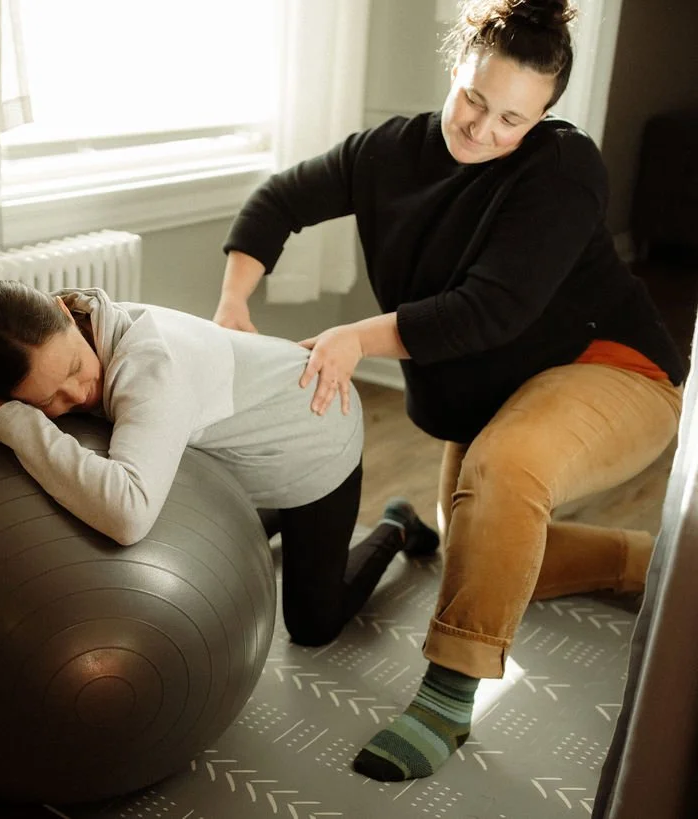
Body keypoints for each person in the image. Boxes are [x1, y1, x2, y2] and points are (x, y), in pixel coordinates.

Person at [213, 0, 685, 783]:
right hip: (499, 390)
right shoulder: (390, 151)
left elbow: (488, 310)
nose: (483, 128)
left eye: (512, 118)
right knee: (480, 547)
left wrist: (353, 337)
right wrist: (234, 301)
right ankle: (650, 564)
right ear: (456, 70)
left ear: (543, 117)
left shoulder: (563, 170)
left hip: (615, 367)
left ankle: (449, 696)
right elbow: (280, 201)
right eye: (474, 99)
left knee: (505, 472)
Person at [0, 282, 439, 651]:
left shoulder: (151, 367)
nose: (78, 393)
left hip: (317, 431)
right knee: (222, 532)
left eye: (74, 368)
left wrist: (14, 422)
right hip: (235, 449)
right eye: (48, 399)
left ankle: (396, 523)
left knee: (314, 626)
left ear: (67, 312)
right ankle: (274, 520)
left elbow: (128, 516)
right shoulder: (25, 356)